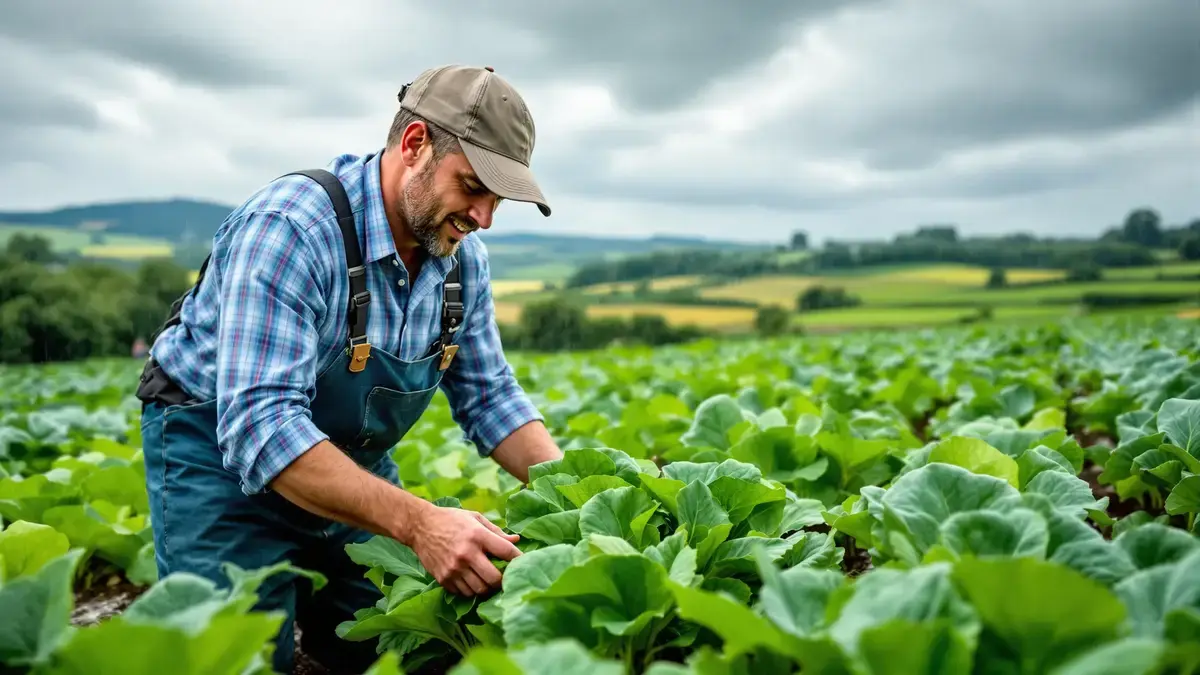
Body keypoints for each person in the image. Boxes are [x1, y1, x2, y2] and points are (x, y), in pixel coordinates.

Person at [134, 64, 563, 674]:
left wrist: (582, 495)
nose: (484, 217)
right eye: (472, 186)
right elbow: (263, 427)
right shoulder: (292, 229)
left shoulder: (462, 261)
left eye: (498, 199)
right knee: (235, 659)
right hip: (221, 469)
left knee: (417, 641)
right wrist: (422, 525)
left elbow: (491, 397)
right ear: (414, 144)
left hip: (351, 472)